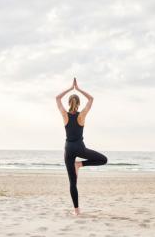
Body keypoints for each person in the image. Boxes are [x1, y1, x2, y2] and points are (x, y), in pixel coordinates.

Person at [55, 77, 108, 216]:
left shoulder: (64, 115)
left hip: (68, 149)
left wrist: (69, 88)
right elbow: (91, 99)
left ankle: (76, 211)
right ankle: (80, 164)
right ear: (78, 104)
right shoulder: (82, 115)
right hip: (80, 148)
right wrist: (78, 89)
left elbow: (57, 98)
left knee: (72, 183)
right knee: (103, 159)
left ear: (69, 103)